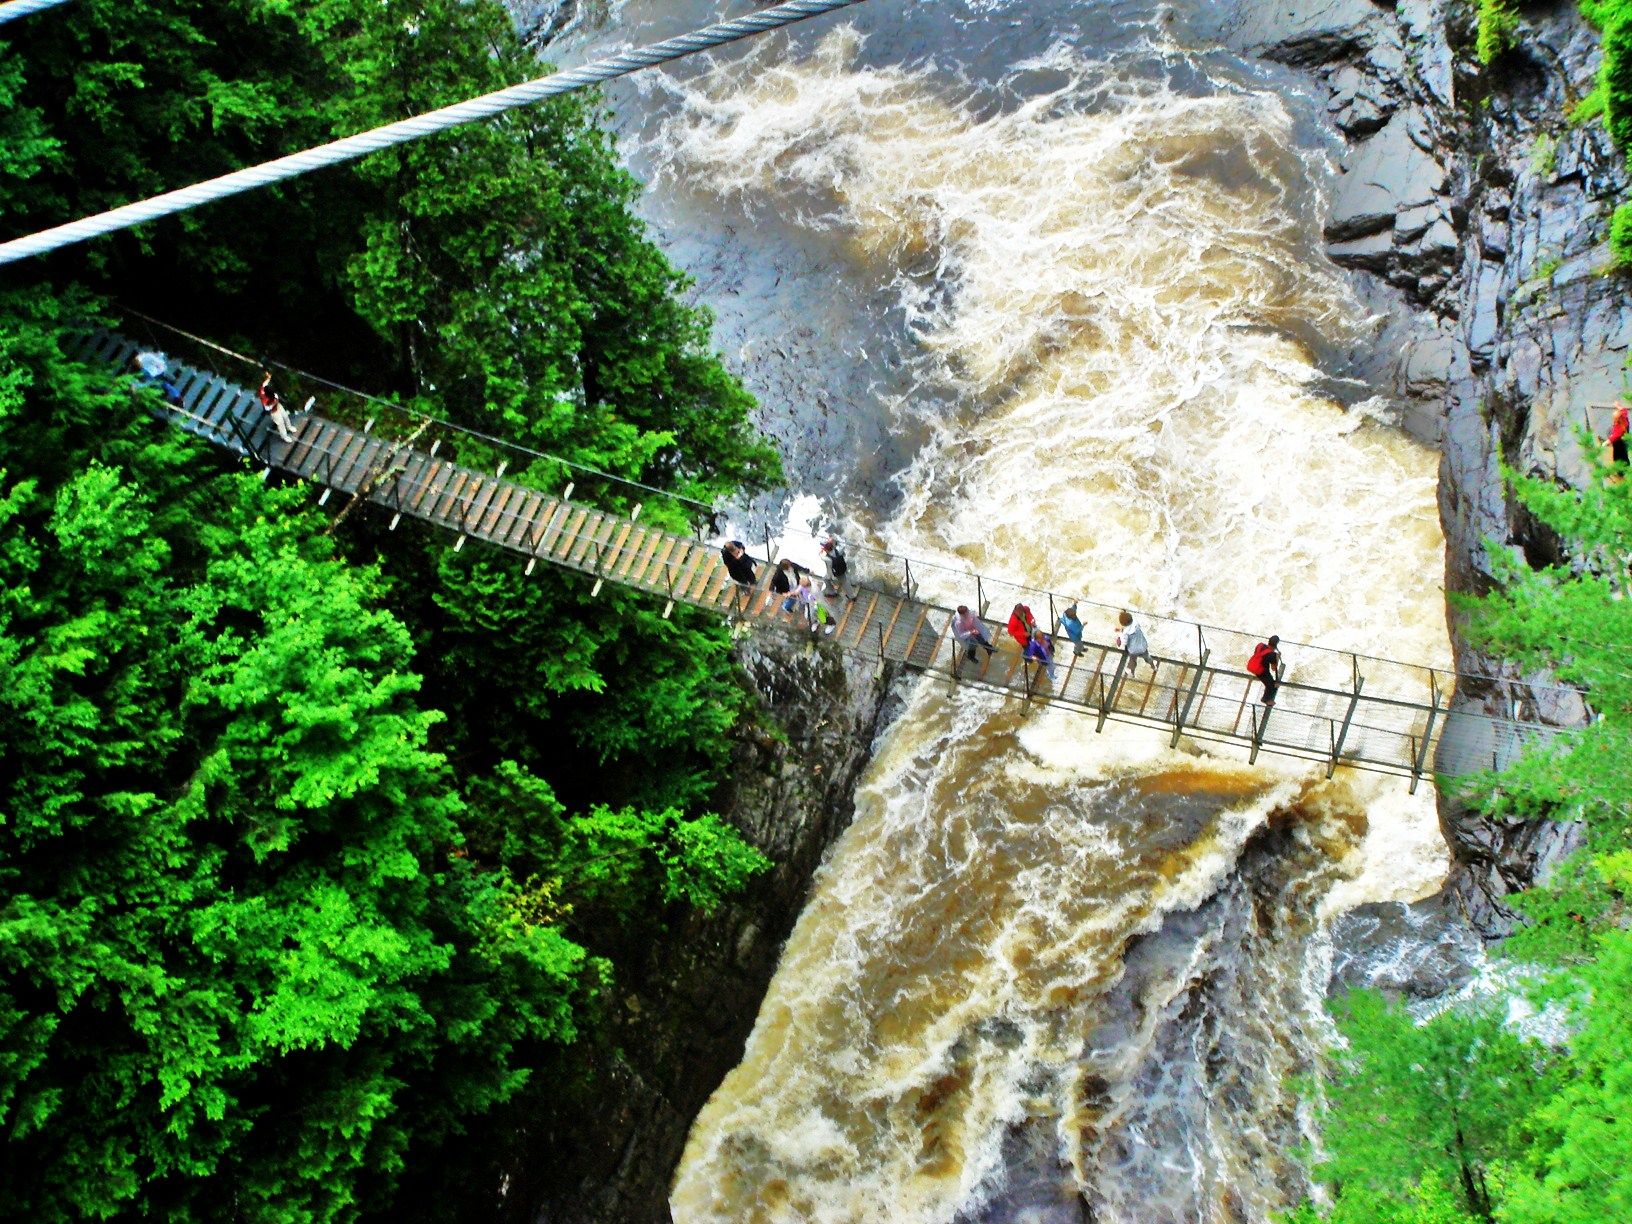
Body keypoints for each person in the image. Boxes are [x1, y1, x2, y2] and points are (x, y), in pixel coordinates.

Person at [258, 370, 297, 443]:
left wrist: (268, 377)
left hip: (278, 406)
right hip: (274, 411)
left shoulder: (265, 388)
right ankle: (284, 436)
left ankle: (289, 427)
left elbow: (265, 384)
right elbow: (267, 408)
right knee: (281, 423)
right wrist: (274, 403)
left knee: (285, 416)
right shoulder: (265, 399)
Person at [1247, 635, 1282, 706]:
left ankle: (1267, 696)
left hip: (1252, 665)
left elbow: (1257, 653)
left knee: (1270, 681)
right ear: (1276, 644)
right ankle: (1266, 699)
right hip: (1261, 671)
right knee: (1271, 685)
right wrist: (1277, 658)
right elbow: (1274, 668)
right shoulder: (1272, 655)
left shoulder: (1260, 645)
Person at [1116, 610, 1152, 674]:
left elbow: (1125, 642)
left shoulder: (1125, 632)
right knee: (1146, 655)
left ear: (1122, 624)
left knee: (1133, 660)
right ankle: (1153, 665)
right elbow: (1131, 628)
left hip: (1133, 649)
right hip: (1142, 645)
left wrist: (1120, 634)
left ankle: (1131, 671)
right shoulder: (1135, 622)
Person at [1604, 399, 1630, 466]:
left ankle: (1621, 472)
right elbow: (1624, 410)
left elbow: (1612, 438)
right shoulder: (1624, 417)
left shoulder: (1618, 429)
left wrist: (1604, 444)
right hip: (1625, 437)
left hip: (1619, 443)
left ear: (1616, 420)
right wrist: (1618, 406)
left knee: (1618, 456)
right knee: (1624, 455)